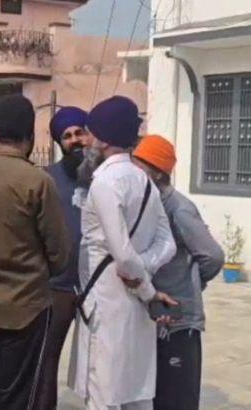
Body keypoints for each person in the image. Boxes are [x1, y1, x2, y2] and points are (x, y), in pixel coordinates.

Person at [0, 94, 70, 410]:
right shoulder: (37, 180)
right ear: (29, 133)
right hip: (25, 306)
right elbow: (59, 252)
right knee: (17, 395)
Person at [69, 96, 177, 410]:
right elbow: (166, 244)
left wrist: (144, 288)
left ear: (104, 139)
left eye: (90, 132)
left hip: (109, 301)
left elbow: (123, 255)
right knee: (136, 393)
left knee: (103, 395)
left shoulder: (105, 183)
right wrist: (145, 274)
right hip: (135, 304)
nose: (86, 140)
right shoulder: (145, 181)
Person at [132, 134, 224, 410]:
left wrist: (189, 282)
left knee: (178, 400)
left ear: (157, 173)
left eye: (139, 168)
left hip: (179, 322)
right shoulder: (149, 205)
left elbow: (212, 256)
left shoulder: (179, 210)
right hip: (155, 316)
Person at [36, 106, 89, 409]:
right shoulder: (46, 179)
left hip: (99, 286)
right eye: (67, 136)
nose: (74, 140)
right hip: (58, 286)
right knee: (46, 360)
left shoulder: (106, 177)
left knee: (104, 364)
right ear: (59, 143)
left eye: (79, 132)